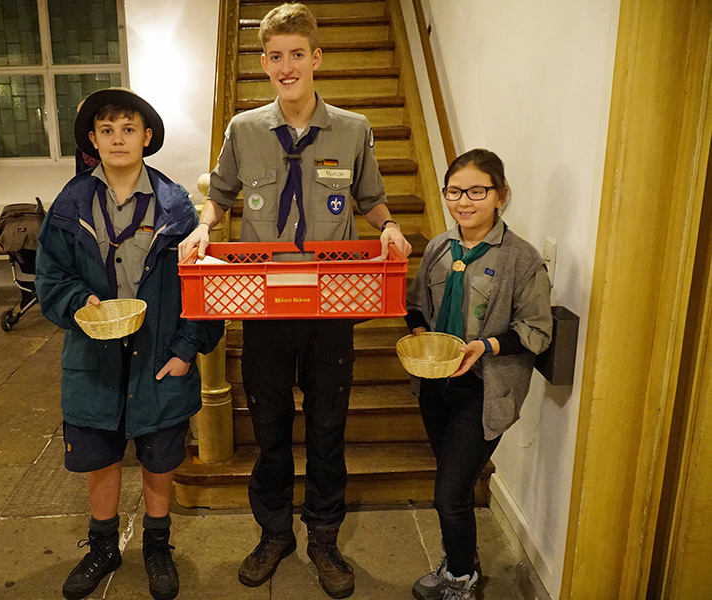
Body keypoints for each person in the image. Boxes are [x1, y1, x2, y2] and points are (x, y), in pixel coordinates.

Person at [178, 4, 412, 598]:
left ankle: (324, 538)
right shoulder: (244, 129)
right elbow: (220, 196)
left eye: (297, 55)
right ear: (264, 63)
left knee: (329, 426)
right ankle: (275, 532)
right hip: (264, 303)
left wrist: (388, 227)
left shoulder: (354, 129)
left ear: (316, 58)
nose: (287, 67)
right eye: (276, 57)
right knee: (270, 425)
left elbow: (371, 199)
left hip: (331, 304)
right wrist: (203, 227)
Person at [36, 87, 224, 600]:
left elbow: (203, 290)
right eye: (107, 130)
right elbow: (50, 277)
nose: (117, 139)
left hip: (159, 355)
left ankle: (157, 546)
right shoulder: (70, 204)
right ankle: (102, 547)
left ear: (146, 136)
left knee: (160, 454)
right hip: (93, 353)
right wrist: (80, 303)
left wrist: (186, 350)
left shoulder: (176, 206)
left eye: (128, 129)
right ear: (93, 141)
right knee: (99, 449)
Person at [405, 148, 552, 600]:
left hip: (484, 391)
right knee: (455, 485)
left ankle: (460, 580)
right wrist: (419, 334)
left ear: (500, 196)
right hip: (435, 384)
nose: (463, 201)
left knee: (449, 495)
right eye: (454, 192)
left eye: (476, 191)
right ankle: (460, 560)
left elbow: (537, 331)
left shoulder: (521, 259)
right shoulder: (438, 248)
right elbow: (416, 306)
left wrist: (483, 346)